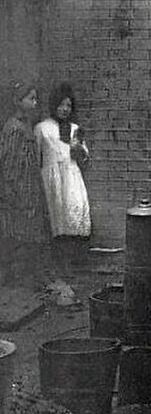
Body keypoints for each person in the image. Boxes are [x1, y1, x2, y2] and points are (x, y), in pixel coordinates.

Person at [0, 82, 52, 284]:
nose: (35, 102)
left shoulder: (26, 124)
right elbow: (10, 163)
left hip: (29, 186)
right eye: (31, 98)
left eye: (36, 98)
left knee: (31, 232)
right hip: (20, 189)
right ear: (17, 101)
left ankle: (28, 277)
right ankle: (14, 278)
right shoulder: (14, 128)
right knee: (18, 234)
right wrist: (14, 192)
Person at [34, 83, 91, 267]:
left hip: (72, 176)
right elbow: (36, 156)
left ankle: (72, 263)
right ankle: (54, 263)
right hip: (51, 177)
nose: (65, 109)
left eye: (68, 105)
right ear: (53, 105)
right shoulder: (42, 128)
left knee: (72, 212)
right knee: (54, 215)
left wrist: (78, 150)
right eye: (61, 105)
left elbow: (85, 158)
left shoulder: (75, 129)